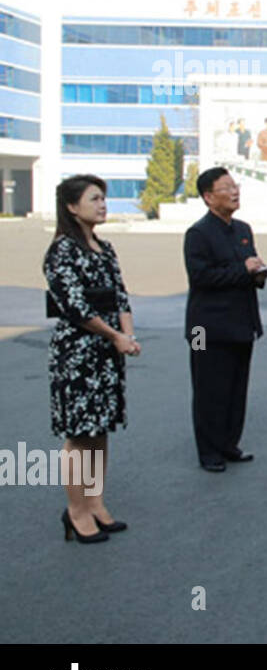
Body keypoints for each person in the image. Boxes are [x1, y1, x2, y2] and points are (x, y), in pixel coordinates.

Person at [44, 175, 140, 544]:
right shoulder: (62, 251)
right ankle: (76, 511)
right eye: (94, 198)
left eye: (104, 198)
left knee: (99, 431)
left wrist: (127, 335)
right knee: (79, 434)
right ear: (72, 206)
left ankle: (96, 502)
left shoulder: (105, 247)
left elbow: (120, 295)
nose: (103, 205)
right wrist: (116, 335)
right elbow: (75, 307)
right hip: (78, 351)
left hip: (107, 350)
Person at [184, 167, 267, 471]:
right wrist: (243, 271)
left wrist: (258, 273)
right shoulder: (198, 233)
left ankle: (229, 443)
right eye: (226, 188)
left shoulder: (243, 229)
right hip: (203, 328)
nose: (235, 192)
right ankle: (209, 452)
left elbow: (249, 269)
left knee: (235, 388)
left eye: (236, 187)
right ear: (208, 197)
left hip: (241, 322)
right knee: (208, 390)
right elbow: (201, 277)